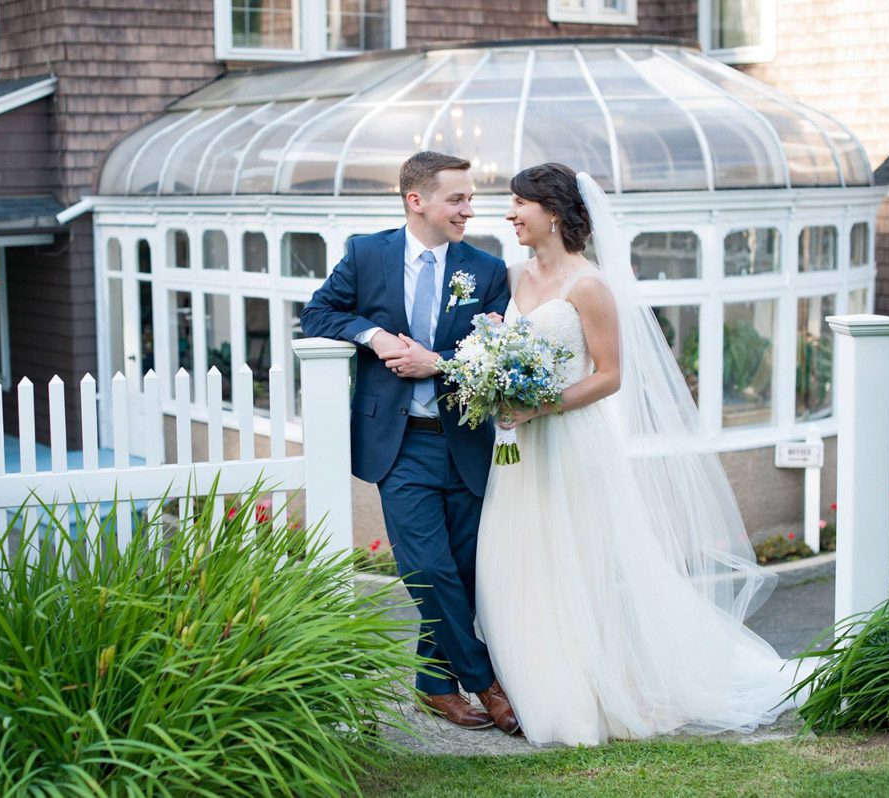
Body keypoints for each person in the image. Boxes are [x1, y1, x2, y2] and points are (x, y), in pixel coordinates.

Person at [475, 163, 796, 746]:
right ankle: (537, 686)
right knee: (522, 562)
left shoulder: (589, 285)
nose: (509, 213)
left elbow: (610, 375)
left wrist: (539, 407)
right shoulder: (515, 276)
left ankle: (591, 694)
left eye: (519, 203)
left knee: (578, 565)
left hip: (570, 443)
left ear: (553, 213)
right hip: (518, 449)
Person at [300, 151, 518, 733]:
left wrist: (435, 362)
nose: (468, 210)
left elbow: (494, 354)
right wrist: (371, 335)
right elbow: (317, 313)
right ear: (416, 201)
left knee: (461, 571)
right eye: (457, 199)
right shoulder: (365, 254)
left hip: (466, 440)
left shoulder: (487, 269)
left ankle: (434, 686)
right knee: (428, 569)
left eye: (470, 199)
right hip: (398, 444)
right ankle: (486, 683)